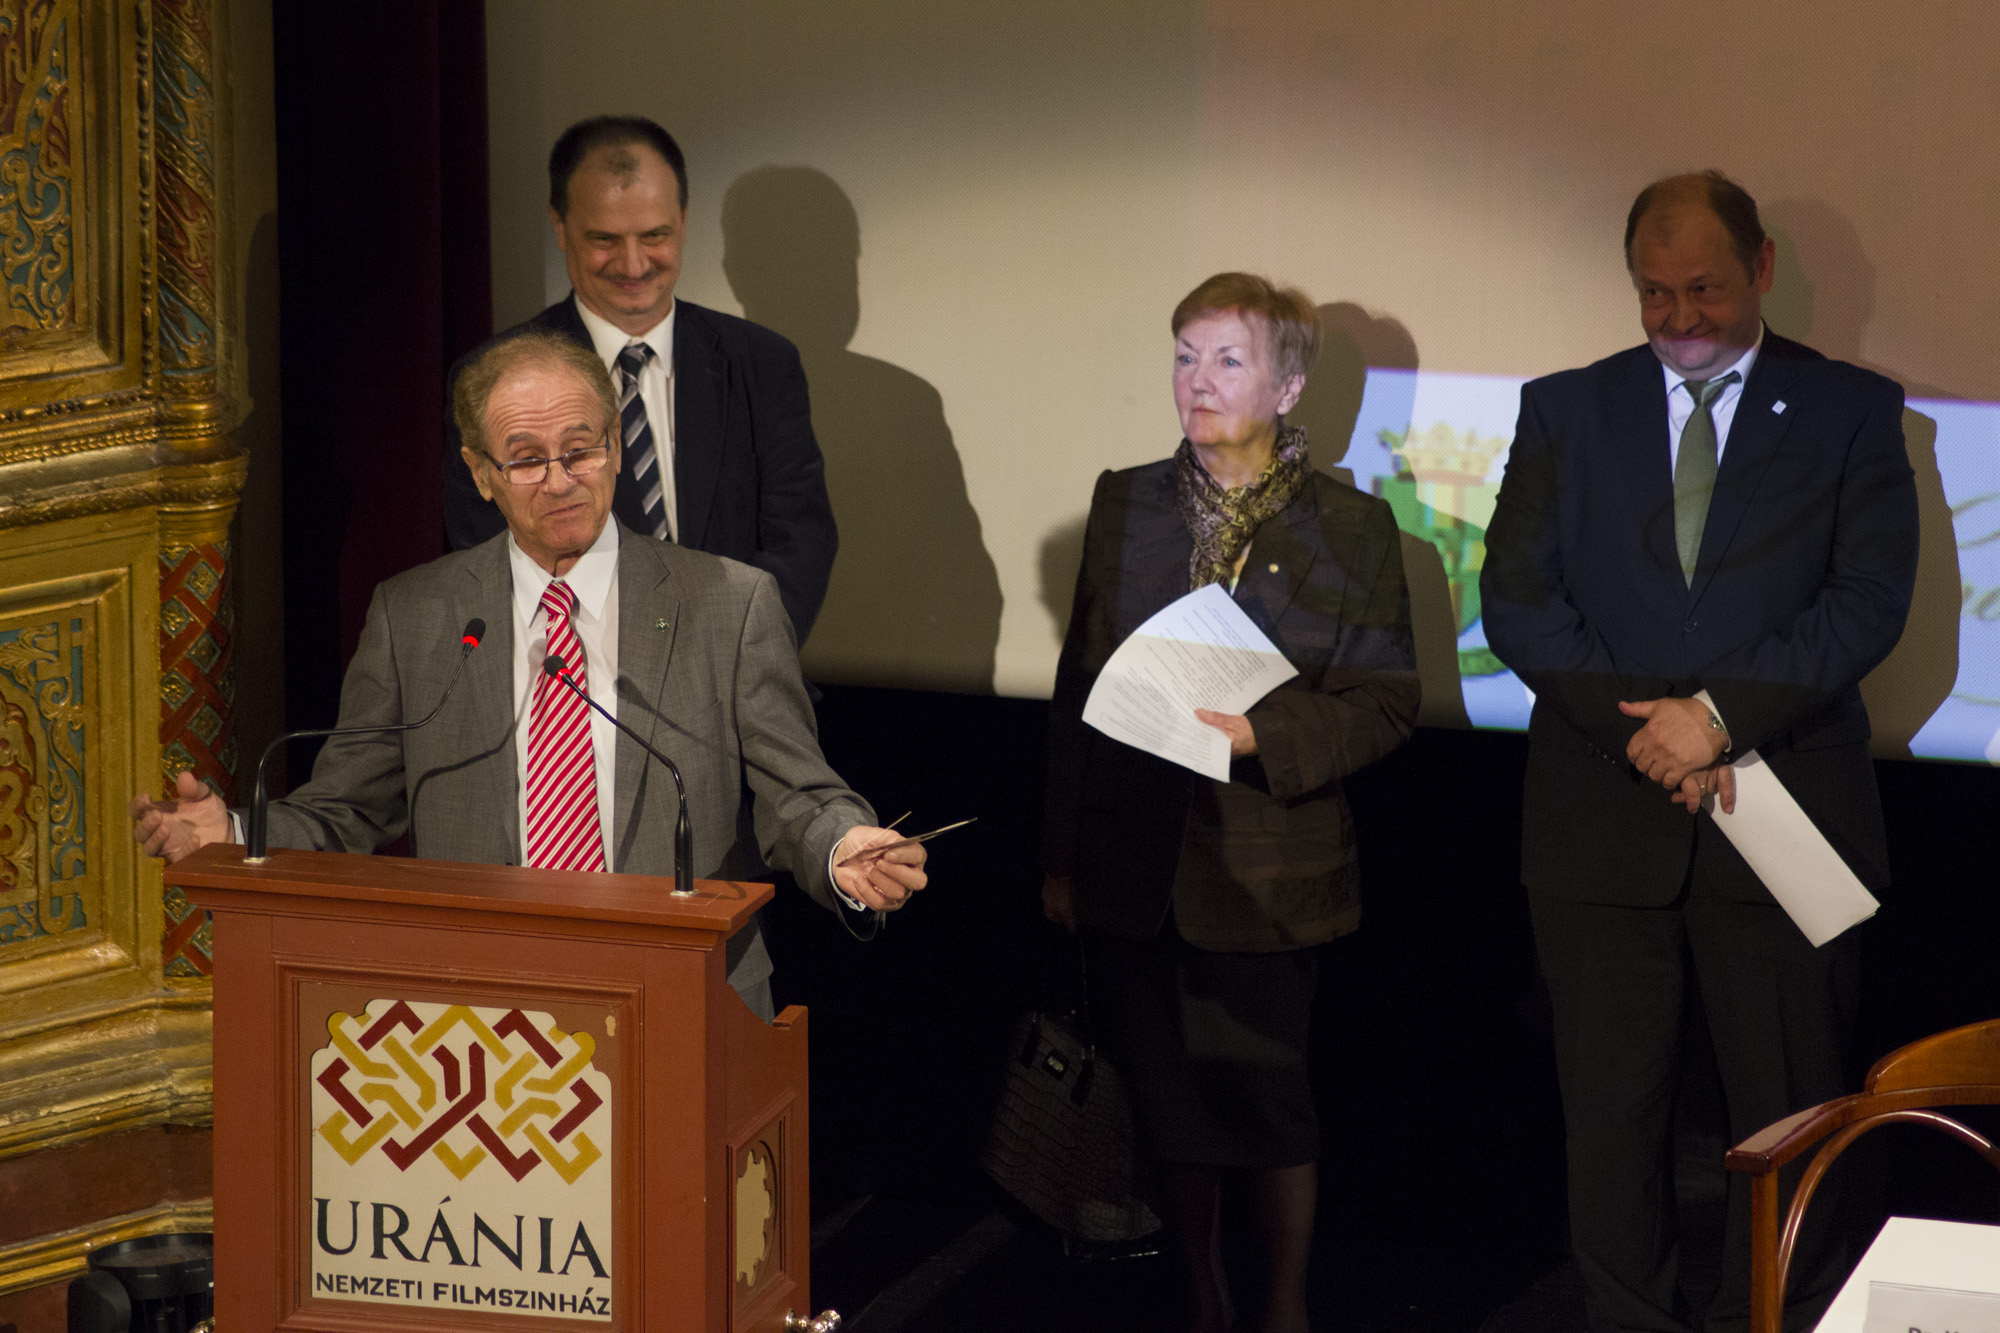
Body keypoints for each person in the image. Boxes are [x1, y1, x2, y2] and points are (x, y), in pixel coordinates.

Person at [136, 331, 923, 1020]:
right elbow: (346, 810)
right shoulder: (416, 615)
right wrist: (235, 833)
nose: (560, 479)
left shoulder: (729, 603)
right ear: (480, 473)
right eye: (526, 459)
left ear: (616, 445)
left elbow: (798, 794)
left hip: (687, 996)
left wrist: (841, 844)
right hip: (480, 1011)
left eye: (580, 449)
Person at [1480, 172, 1919, 1333]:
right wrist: (1650, 734)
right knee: (1608, 1118)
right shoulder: (1563, 411)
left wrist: (1716, 718)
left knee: (1788, 1113)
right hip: (1598, 824)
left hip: (1784, 815)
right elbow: (1517, 600)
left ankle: (1767, 1318)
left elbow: (1866, 599)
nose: (1678, 316)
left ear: (1759, 267)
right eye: (1653, 292)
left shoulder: (1849, 411)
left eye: (1704, 288)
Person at [1042, 273, 1419, 1333]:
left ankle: (1283, 1307)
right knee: (1168, 1106)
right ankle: (1201, 1302)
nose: (1196, 381)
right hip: (1133, 866)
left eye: (1226, 360)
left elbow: (1388, 702)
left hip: (1270, 869)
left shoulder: (1351, 527)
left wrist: (1268, 737)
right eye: (1184, 356)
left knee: (1267, 1103)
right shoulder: (1125, 501)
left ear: (1286, 387)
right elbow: (1079, 689)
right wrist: (1062, 857)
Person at [442, 116, 838, 646]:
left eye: (655, 236)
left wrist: (728, 661)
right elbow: (488, 555)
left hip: (741, 672)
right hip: (572, 678)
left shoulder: (764, 363)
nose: (633, 265)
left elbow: (801, 540)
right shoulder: (493, 380)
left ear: (683, 221)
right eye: (604, 239)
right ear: (560, 228)